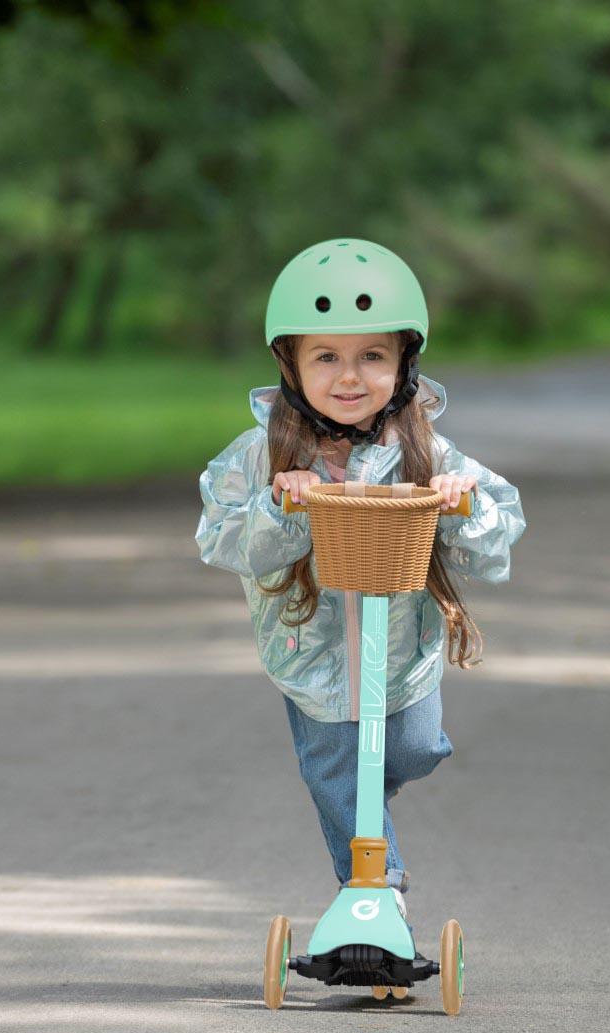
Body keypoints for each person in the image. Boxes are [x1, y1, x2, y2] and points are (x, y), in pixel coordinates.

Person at [195, 238, 526, 927]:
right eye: (326, 357)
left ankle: (371, 811)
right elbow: (220, 540)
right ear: (289, 361)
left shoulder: (425, 448)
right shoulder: (258, 456)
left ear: (404, 361)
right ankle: (377, 900)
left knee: (411, 750)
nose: (349, 376)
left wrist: (462, 504)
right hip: (311, 662)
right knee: (339, 775)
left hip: (403, 659)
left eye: (372, 356)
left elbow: (496, 543)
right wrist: (278, 507)